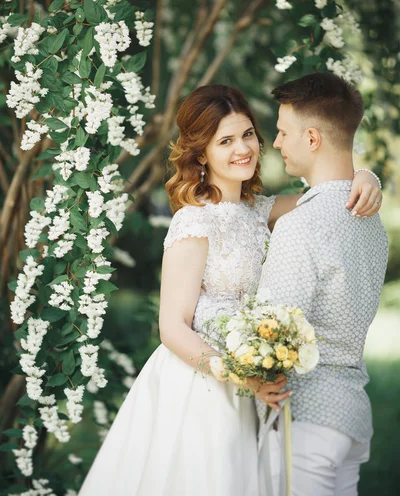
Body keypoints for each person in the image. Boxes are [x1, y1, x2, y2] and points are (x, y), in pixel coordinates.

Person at [78, 84, 382, 496]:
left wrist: (367, 176)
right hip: (204, 387)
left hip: (258, 388)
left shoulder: (259, 211)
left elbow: (328, 196)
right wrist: (241, 377)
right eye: (225, 141)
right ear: (201, 153)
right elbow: (171, 327)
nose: (244, 148)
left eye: (248, 135)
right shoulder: (195, 221)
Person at [257, 73, 388, 496]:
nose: (276, 143)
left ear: (312, 138)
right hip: (351, 415)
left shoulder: (301, 226)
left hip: (308, 417)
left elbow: (272, 330)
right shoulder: (373, 223)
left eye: (282, 132)